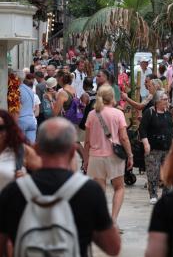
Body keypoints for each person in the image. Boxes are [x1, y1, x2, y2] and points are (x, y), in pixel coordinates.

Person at [0, 117, 121, 257]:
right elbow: (113, 248)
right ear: (72, 152)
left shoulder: (14, 191)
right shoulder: (89, 191)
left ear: (37, 149)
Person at [83, 85, 134, 224]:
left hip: (95, 157)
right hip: (114, 157)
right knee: (119, 187)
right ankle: (113, 220)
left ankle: (101, 219)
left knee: (99, 190)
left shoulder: (92, 114)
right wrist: (130, 155)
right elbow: (124, 138)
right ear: (112, 97)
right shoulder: (118, 114)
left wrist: (85, 160)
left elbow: (87, 141)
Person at [139, 91, 173, 205]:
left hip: (167, 148)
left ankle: (167, 194)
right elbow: (142, 129)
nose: (167, 101)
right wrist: (146, 143)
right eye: (164, 99)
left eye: (167, 99)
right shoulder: (150, 113)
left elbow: (170, 130)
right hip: (153, 148)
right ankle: (153, 194)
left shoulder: (168, 113)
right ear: (157, 101)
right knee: (153, 172)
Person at [0, 110, 41, 191]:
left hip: (11, 202)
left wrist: (28, 179)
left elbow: (45, 175)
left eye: (0, 128)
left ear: (9, 129)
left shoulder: (21, 150)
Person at [18, 74, 38, 143]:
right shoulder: (30, 90)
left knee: (20, 146)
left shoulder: (17, 90)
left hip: (21, 119)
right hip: (31, 119)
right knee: (31, 146)